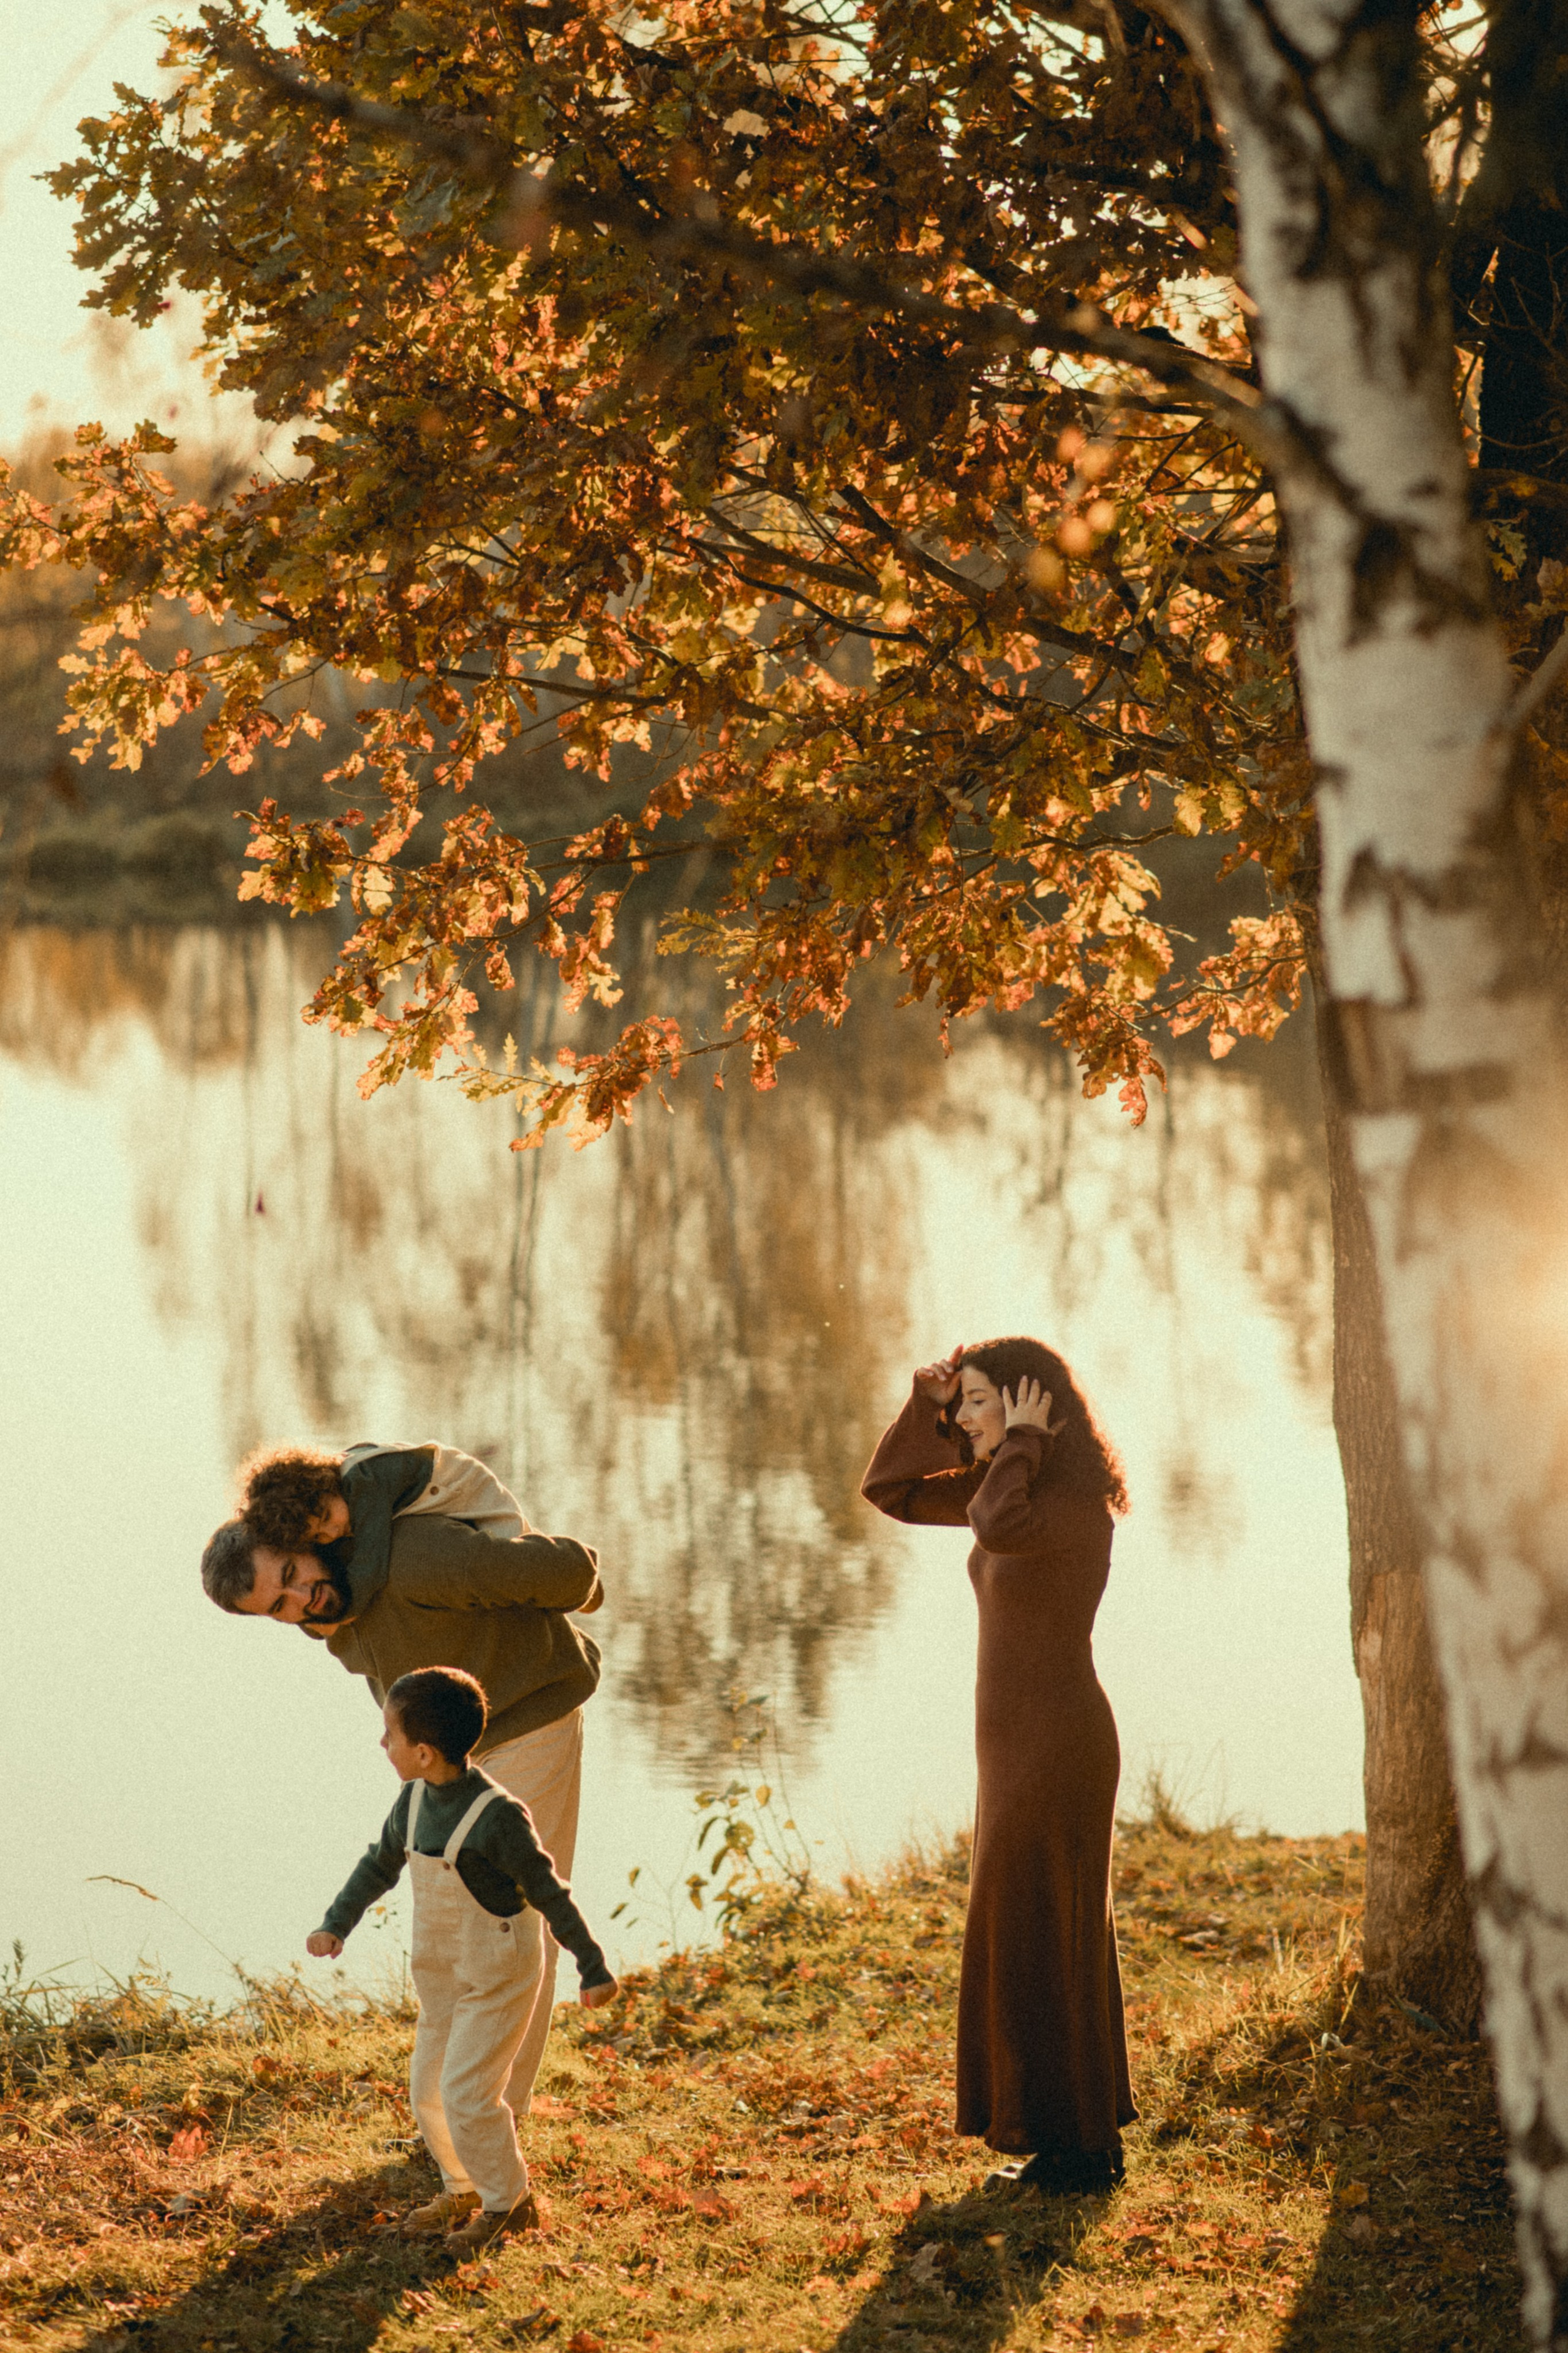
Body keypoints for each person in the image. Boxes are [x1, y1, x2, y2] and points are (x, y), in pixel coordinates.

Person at [200, 1441, 601, 2117]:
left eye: (292, 1573)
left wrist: (575, 1581)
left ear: (305, 1538)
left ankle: (489, 2120)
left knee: (507, 1929)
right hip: (446, 1765)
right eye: (278, 1606)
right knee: (447, 1944)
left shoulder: (417, 1556)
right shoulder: (332, 1612)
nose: (300, 1599)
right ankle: (449, 2120)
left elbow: (568, 1573)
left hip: (530, 1725)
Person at [862, 1337, 1136, 2193]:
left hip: (1058, 1741)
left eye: (978, 1401)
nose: (964, 1418)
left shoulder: (1070, 1506)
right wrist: (925, 1402)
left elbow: (995, 1527)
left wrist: (1018, 1443)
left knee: (1044, 1931)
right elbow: (893, 1491)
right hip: (1013, 1745)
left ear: (1029, 1404)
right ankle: (1069, 2138)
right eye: (963, 1404)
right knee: (1027, 1930)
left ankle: (1079, 2148)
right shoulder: (1006, 1486)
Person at [307, 1665, 618, 2249]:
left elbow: (550, 1892)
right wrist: (335, 1922)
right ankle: (465, 2186)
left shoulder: (497, 1816)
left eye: (390, 1734)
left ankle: (509, 2203)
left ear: (424, 1752)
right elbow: (379, 1863)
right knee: (428, 2090)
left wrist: (592, 1965)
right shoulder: (413, 1800)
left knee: (468, 2093)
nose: (382, 1743)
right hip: (443, 1973)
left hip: (500, 1973)